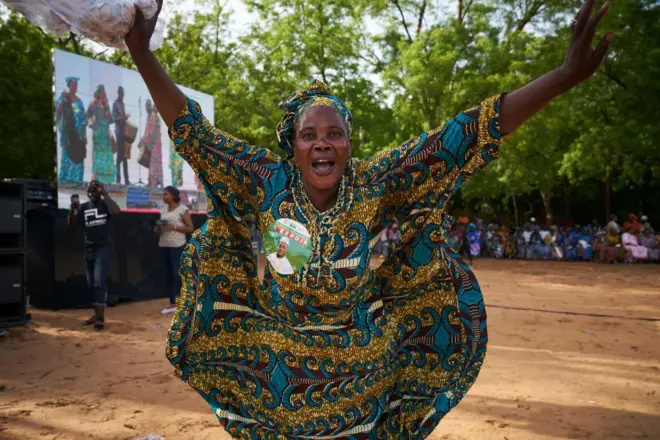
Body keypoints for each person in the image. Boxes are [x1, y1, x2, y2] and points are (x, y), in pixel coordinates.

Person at [125, 0, 613, 436]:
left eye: (333, 133)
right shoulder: (263, 180)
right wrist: (141, 53)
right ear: (293, 147)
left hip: (362, 392)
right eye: (308, 134)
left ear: (349, 143)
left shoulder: (376, 181)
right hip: (275, 390)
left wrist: (564, 76)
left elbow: (465, 133)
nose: (321, 142)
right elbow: (193, 129)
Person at [67, 180, 120, 330]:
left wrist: (105, 193)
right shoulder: (83, 207)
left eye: (96, 186)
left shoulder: (105, 204)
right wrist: (72, 210)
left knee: (99, 281)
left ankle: (100, 318)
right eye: (91, 186)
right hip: (88, 248)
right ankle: (96, 314)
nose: (93, 188)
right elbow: (72, 226)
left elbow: (116, 212)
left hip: (104, 248)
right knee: (91, 284)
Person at [156, 186, 194, 315]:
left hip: (178, 245)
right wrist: (158, 227)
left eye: (166, 194)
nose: (163, 196)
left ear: (173, 196)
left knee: (178, 274)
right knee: (169, 275)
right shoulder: (162, 210)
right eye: (163, 194)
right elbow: (157, 230)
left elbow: (190, 228)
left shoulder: (183, 210)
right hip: (164, 244)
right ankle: (172, 303)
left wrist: (173, 227)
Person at [55, 77, 86, 185]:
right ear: (69, 86)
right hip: (68, 132)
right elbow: (58, 111)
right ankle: (65, 178)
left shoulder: (78, 101)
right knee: (66, 154)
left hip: (77, 133)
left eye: (76, 85)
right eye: (73, 85)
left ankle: (77, 179)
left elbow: (81, 115)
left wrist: (82, 131)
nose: (75, 87)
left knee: (78, 154)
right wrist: (62, 104)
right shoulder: (63, 97)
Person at [87, 85, 115, 183]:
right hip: (98, 133)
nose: (104, 94)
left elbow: (110, 120)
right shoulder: (93, 104)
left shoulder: (106, 105)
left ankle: (106, 179)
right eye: (102, 92)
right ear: (98, 93)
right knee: (98, 154)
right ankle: (96, 178)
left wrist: (108, 113)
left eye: (104, 92)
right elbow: (88, 116)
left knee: (106, 155)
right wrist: (91, 123)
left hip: (105, 133)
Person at [112, 86, 131, 185]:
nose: (123, 96)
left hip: (124, 132)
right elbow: (114, 118)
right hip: (119, 132)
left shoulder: (122, 104)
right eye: (121, 94)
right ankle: (118, 179)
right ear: (119, 93)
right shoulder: (115, 104)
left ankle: (127, 180)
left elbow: (122, 118)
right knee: (119, 157)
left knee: (125, 156)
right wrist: (123, 117)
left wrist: (125, 118)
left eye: (123, 94)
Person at [143, 99, 163, 188]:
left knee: (153, 162)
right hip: (157, 143)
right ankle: (154, 182)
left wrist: (145, 139)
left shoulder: (154, 116)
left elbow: (150, 132)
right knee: (155, 162)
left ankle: (152, 182)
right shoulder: (155, 116)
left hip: (154, 143)